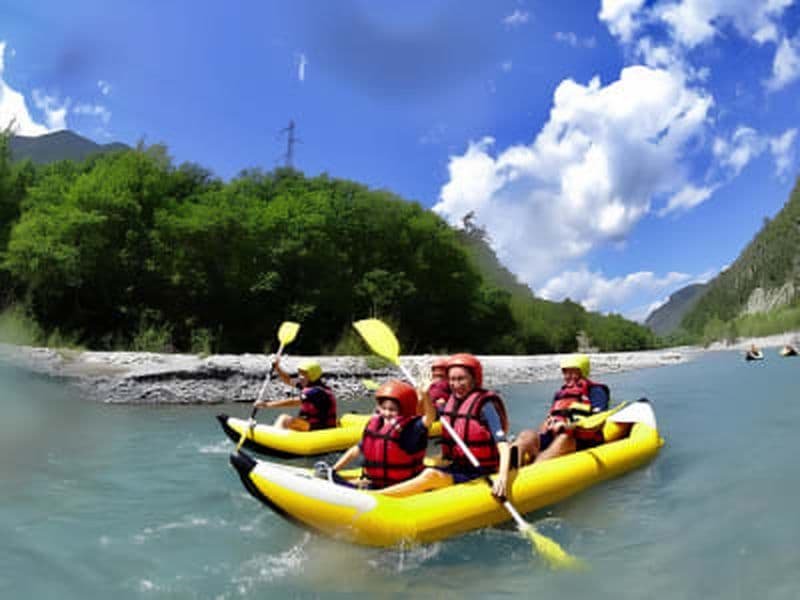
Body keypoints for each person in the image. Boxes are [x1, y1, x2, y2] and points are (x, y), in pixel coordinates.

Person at [377, 353, 511, 499]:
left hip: (479, 470)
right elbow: (430, 416)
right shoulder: (451, 402)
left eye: (461, 379)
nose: (456, 384)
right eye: (452, 379)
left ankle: (377, 497)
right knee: (418, 468)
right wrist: (425, 396)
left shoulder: (485, 405)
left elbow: (503, 445)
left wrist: (502, 478)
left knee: (430, 474)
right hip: (456, 464)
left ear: (474, 379)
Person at [503, 354, 609, 473]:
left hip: (581, 440)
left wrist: (568, 426)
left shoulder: (596, 391)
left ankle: (530, 475)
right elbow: (553, 416)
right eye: (565, 372)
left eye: (572, 372)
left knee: (564, 438)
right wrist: (546, 424)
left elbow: (597, 421)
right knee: (526, 434)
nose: (568, 376)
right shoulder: (561, 394)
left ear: (583, 371)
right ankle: (509, 472)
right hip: (553, 436)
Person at [330, 380, 436, 489]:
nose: (387, 413)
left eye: (392, 410)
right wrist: (334, 470)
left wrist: (425, 396)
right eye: (384, 408)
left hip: (402, 486)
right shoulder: (377, 426)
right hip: (376, 482)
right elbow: (355, 451)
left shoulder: (410, 429)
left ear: (403, 410)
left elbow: (429, 418)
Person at [253, 357, 337, 431]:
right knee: (290, 420)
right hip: (312, 424)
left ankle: (275, 441)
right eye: (299, 373)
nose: (300, 377)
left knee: (284, 419)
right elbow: (288, 380)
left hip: (321, 427)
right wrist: (277, 368)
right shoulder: (308, 383)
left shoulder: (315, 391)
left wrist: (267, 405)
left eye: (303, 374)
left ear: (312, 375)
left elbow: (294, 401)